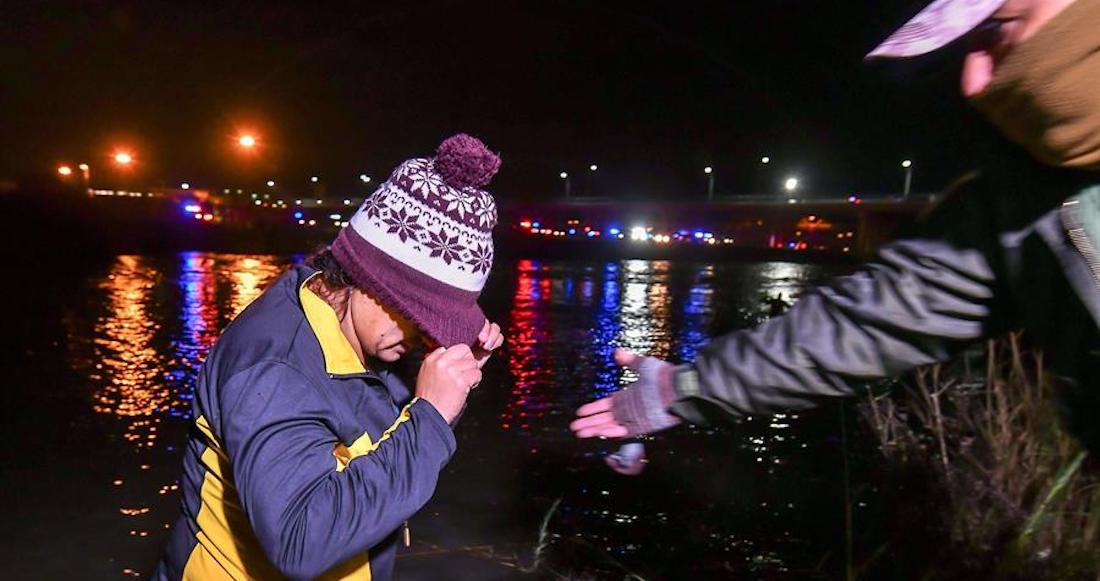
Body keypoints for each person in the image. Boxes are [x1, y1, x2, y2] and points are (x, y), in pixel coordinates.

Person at [572, 0, 1100, 456]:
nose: (973, 82)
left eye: (1000, 28)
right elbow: (875, 318)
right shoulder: (1022, 194)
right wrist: (683, 388)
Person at [154, 134, 506, 581]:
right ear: (368, 276)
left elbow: (385, 452)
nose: (427, 334)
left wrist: (442, 395)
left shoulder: (350, 331)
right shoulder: (278, 370)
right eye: (420, 313)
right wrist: (431, 416)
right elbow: (300, 541)